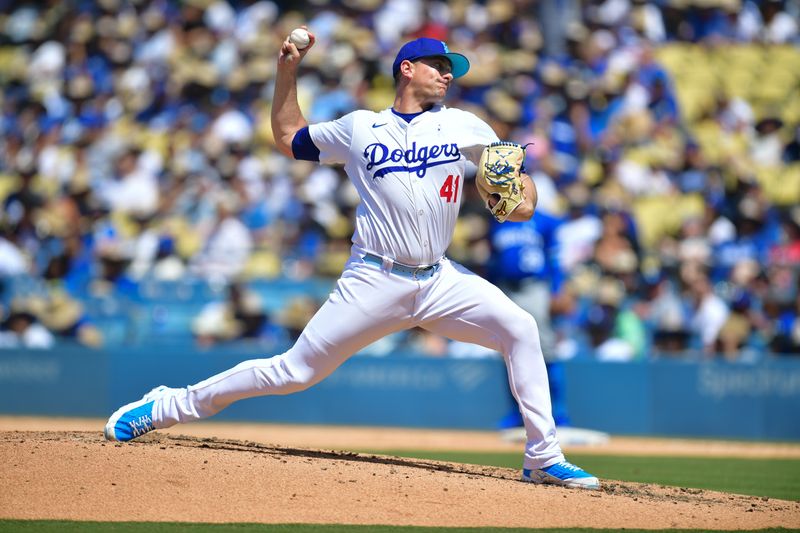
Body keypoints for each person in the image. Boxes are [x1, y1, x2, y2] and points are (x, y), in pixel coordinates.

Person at [104, 32, 599, 490]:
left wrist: (519, 190)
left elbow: (523, 194)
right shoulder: (361, 127)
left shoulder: (464, 125)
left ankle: (542, 455)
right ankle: (168, 404)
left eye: (452, 68)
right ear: (406, 68)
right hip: (375, 277)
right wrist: (287, 72)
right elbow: (288, 137)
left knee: (521, 328)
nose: (449, 74)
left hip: (441, 278)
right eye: (439, 65)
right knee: (292, 373)